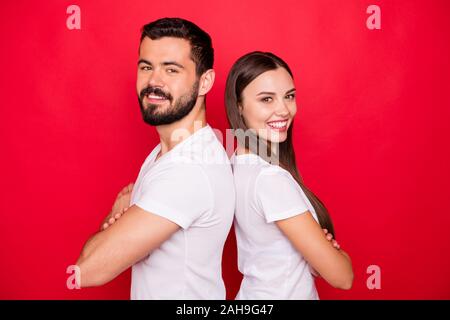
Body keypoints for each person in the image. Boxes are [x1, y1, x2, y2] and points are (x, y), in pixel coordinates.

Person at [75, 17, 235, 300]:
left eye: (171, 70)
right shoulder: (169, 151)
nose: (153, 81)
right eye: (146, 67)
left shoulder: (188, 170)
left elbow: (87, 270)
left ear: (205, 81)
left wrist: (118, 217)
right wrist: (119, 221)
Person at [225, 51, 353, 299]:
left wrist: (315, 250)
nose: (283, 110)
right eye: (266, 99)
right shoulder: (270, 179)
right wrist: (336, 255)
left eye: (289, 96)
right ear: (238, 106)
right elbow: (342, 277)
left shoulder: (236, 163)